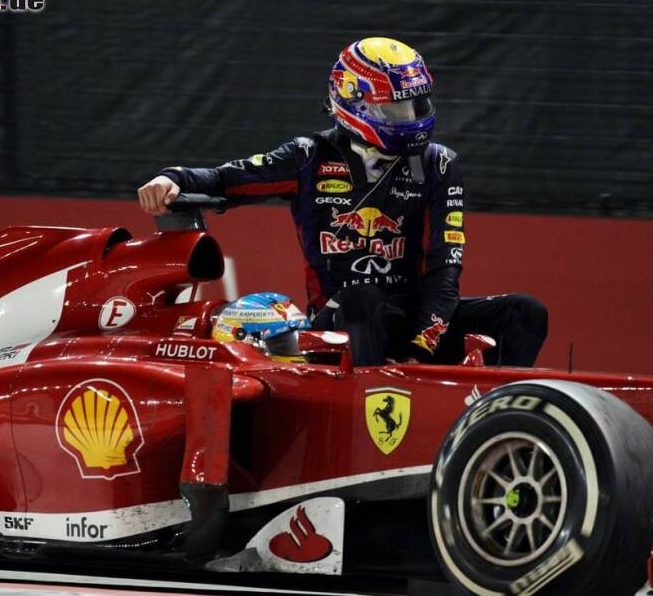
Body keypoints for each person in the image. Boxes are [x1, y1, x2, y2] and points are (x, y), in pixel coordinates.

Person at [138, 37, 547, 367]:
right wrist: (170, 179)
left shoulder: (439, 165)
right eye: (395, 107)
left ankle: (499, 415)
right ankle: (367, 413)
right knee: (362, 296)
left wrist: (420, 350)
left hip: (420, 321)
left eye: (415, 105)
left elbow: (443, 272)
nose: (410, 117)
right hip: (338, 321)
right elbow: (227, 179)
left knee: (525, 312)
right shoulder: (307, 157)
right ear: (354, 102)